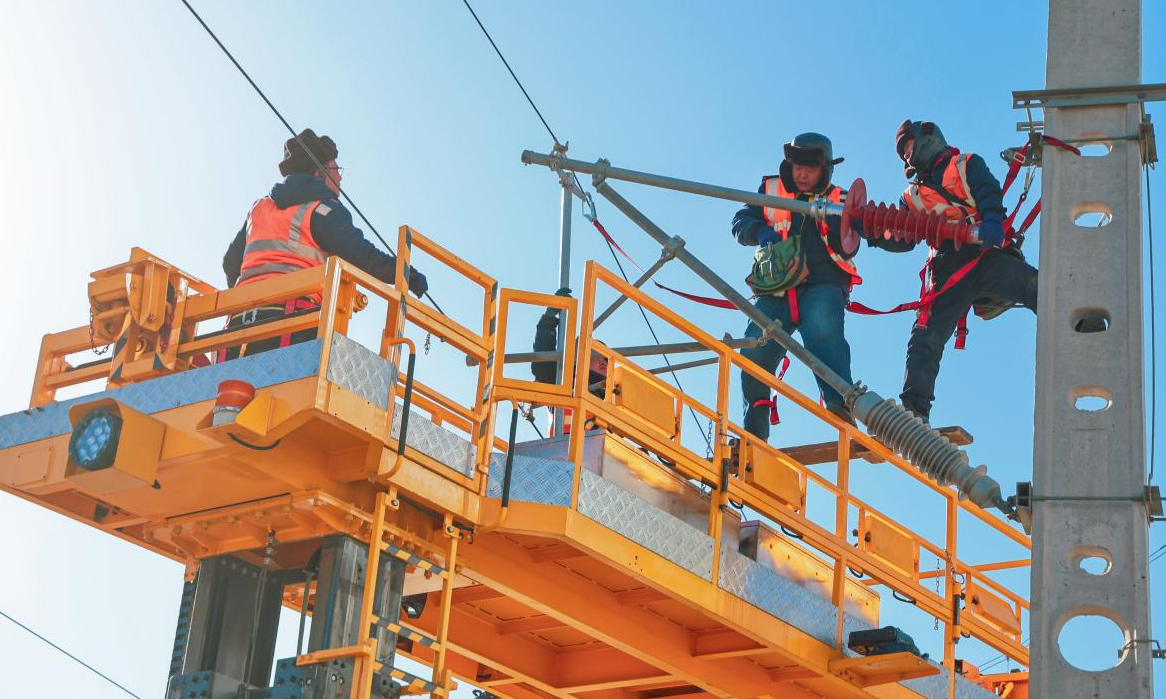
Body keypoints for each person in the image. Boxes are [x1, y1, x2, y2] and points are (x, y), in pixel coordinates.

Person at [732, 133, 899, 441]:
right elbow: (740, 221)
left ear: (825, 170)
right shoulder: (771, 190)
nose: (803, 174)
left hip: (823, 284)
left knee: (825, 337)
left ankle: (841, 408)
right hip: (777, 287)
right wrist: (760, 231)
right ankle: (753, 435)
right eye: (797, 167)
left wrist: (896, 233)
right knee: (754, 351)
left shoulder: (841, 199)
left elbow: (873, 230)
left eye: (810, 168)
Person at [880, 119, 1038, 422]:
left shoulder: (965, 164)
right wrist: (872, 233)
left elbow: (988, 192)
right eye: (904, 154)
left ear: (927, 138)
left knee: (1032, 285)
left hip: (983, 254)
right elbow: (904, 239)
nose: (908, 156)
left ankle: (1075, 323)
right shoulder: (911, 196)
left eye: (909, 147)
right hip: (946, 265)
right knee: (925, 337)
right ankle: (913, 413)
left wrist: (992, 220)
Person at [220, 129, 427, 358]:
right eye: (336, 169)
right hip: (292, 328)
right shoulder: (322, 209)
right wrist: (409, 275)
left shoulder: (258, 208)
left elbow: (231, 264)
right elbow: (364, 257)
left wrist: (248, 301)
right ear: (319, 173)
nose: (339, 177)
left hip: (236, 331)